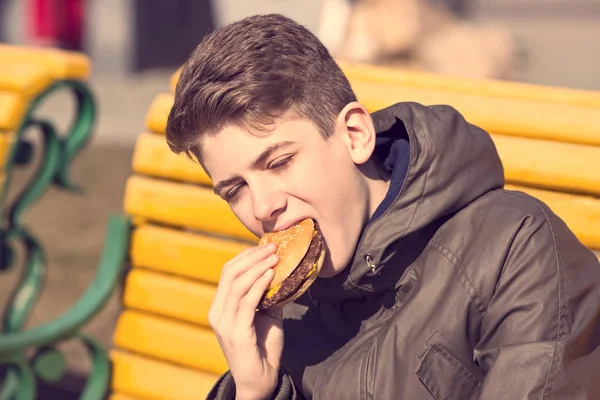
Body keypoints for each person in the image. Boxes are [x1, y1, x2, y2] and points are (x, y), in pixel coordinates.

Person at [165, 13, 600, 400]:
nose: (262, 207)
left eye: (280, 162)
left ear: (355, 135)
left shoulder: (514, 249)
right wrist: (256, 392)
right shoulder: (287, 314)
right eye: (234, 189)